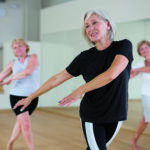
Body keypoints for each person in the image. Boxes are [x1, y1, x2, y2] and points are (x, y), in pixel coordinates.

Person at [14, 9, 133, 150]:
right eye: (87, 26)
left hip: (116, 113)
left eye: (94, 22)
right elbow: (57, 78)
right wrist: (31, 97)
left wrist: (79, 90)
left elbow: (111, 74)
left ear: (108, 25)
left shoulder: (123, 46)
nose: (90, 28)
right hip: (92, 115)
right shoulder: (84, 58)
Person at [0, 38, 39, 150]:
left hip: (32, 97)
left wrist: (11, 77)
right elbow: (1, 75)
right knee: (25, 123)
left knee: (20, 123)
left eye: (20, 46)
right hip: (16, 96)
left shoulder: (33, 57)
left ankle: (10, 143)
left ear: (26, 47)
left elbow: (27, 72)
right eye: (15, 47)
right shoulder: (13, 63)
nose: (17, 49)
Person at [130, 40, 150, 150]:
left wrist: (136, 69)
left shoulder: (138, 67)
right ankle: (134, 141)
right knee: (147, 118)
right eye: (141, 49)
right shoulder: (140, 64)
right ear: (140, 53)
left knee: (145, 120)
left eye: (146, 47)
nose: (144, 50)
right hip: (147, 94)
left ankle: (134, 140)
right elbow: (130, 75)